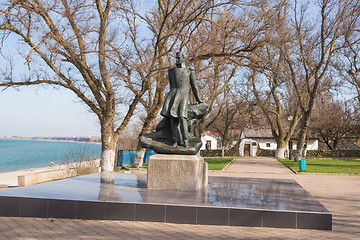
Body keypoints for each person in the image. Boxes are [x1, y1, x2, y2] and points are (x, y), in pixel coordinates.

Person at [160, 52, 203, 147]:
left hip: (184, 95)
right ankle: (175, 139)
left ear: (184, 58)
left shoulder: (189, 71)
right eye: (176, 58)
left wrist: (199, 100)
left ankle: (185, 139)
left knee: (182, 117)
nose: (177, 60)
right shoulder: (171, 71)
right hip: (173, 94)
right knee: (173, 118)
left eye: (179, 58)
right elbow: (171, 86)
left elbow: (194, 86)